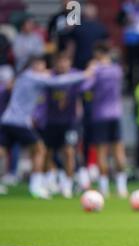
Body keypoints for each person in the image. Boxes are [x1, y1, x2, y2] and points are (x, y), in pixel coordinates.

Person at [0, 55, 91, 198]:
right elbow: (57, 81)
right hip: (19, 122)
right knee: (40, 149)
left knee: (2, 151)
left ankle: (44, 183)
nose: (45, 69)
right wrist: (84, 74)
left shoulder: (23, 76)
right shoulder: (34, 77)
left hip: (7, 120)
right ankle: (35, 187)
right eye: (41, 66)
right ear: (34, 66)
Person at [81, 43, 128, 198]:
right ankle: (122, 188)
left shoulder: (96, 71)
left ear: (98, 55)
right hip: (115, 114)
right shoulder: (117, 70)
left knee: (102, 153)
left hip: (99, 115)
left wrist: (91, 70)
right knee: (119, 152)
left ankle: (104, 188)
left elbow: (84, 87)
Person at [42, 52, 84, 198]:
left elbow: (88, 81)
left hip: (69, 122)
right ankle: (49, 182)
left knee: (69, 152)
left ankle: (67, 185)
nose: (62, 64)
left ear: (69, 63)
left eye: (65, 61)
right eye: (59, 62)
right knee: (48, 153)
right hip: (51, 121)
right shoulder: (49, 77)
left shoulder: (76, 77)